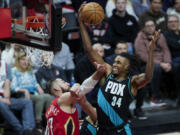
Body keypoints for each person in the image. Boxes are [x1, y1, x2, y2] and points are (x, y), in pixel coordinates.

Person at [78, 3, 160, 134]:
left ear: (127, 67)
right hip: (99, 127)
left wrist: (151, 52)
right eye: (115, 61)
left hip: (119, 130)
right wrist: (81, 22)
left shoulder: (132, 82)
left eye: (119, 63)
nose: (114, 64)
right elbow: (89, 50)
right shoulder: (108, 72)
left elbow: (148, 76)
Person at [45, 62, 106, 135]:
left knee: (90, 119)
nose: (67, 83)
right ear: (56, 88)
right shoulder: (62, 99)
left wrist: (75, 122)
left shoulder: (52, 106)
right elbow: (83, 88)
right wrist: (99, 73)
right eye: (63, 82)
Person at [10, 51, 53, 131]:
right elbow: (12, 87)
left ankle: (49, 120)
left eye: (27, 60)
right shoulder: (14, 71)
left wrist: (38, 86)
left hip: (33, 93)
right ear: (18, 60)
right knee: (40, 98)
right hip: (21, 94)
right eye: (23, 59)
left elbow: (35, 83)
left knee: (48, 97)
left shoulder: (30, 71)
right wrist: (24, 90)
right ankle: (38, 123)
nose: (25, 62)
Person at [135, 17, 171, 108]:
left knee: (177, 67)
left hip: (163, 62)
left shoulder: (160, 36)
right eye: (148, 26)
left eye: (152, 25)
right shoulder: (140, 38)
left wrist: (168, 63)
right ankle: (155, 98)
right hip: (147, 64)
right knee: (156, 69)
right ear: (143, 28)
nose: (150, 28)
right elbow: (143, 56)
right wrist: (161, 64)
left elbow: (166, 50)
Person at [0, 42, 35, 135]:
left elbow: (7, 83)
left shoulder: (5, 65)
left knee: (26, 102)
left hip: (6, 97)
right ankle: (21, 131)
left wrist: (6, 98)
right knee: (1, 104)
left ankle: (29, 130)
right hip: (0, 100)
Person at [163, 15, 180, 106]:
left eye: (175, 21)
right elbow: (175, 45)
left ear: (178, 23)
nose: (173, 23)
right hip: (171, 61)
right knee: (177, 67)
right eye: (170, 22)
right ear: (167, 24)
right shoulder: (165, 35)